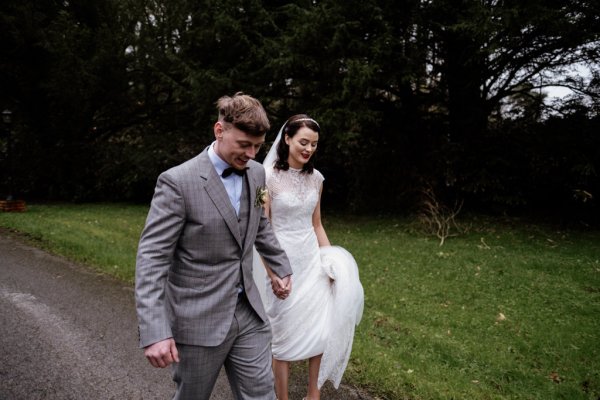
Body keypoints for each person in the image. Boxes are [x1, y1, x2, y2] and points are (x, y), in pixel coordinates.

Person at [135, 92, 293, 400]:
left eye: (257, 147)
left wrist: (281, 267)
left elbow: (259, 224)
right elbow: (152, 259)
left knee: (263, 394)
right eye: (243, 145)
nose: (250, 153)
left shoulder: (258, 173)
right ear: (219, 131)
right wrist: (155, 331)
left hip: (248, 312)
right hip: (197, 319)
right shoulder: (177, 182)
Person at [253, 114, 364, 400]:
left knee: (320, 329)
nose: (309, 149)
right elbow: (261, 228)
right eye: (303, 142)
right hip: (280, 263)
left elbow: (317, 224)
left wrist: (328, 260)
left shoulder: (317, 179)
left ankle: (313, 394)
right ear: (287, 139)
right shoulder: (266, 178)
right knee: (283, 336)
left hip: (312, 262)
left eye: (314, 144)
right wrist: (272, 273)